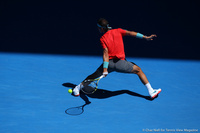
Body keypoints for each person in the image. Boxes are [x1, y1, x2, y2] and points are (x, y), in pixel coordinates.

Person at [73, 18, 161, 98]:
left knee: (93, 76)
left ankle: (77, 88)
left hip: (109, 65)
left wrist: (105, 69)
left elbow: (105, 53)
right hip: (120, 64)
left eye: (98, 28)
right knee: (138, 70)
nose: (98, 29)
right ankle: (151, 91)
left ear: (102, 28)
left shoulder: (102, 38)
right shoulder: (118, 31)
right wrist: (145, 37)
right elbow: (131, 33)